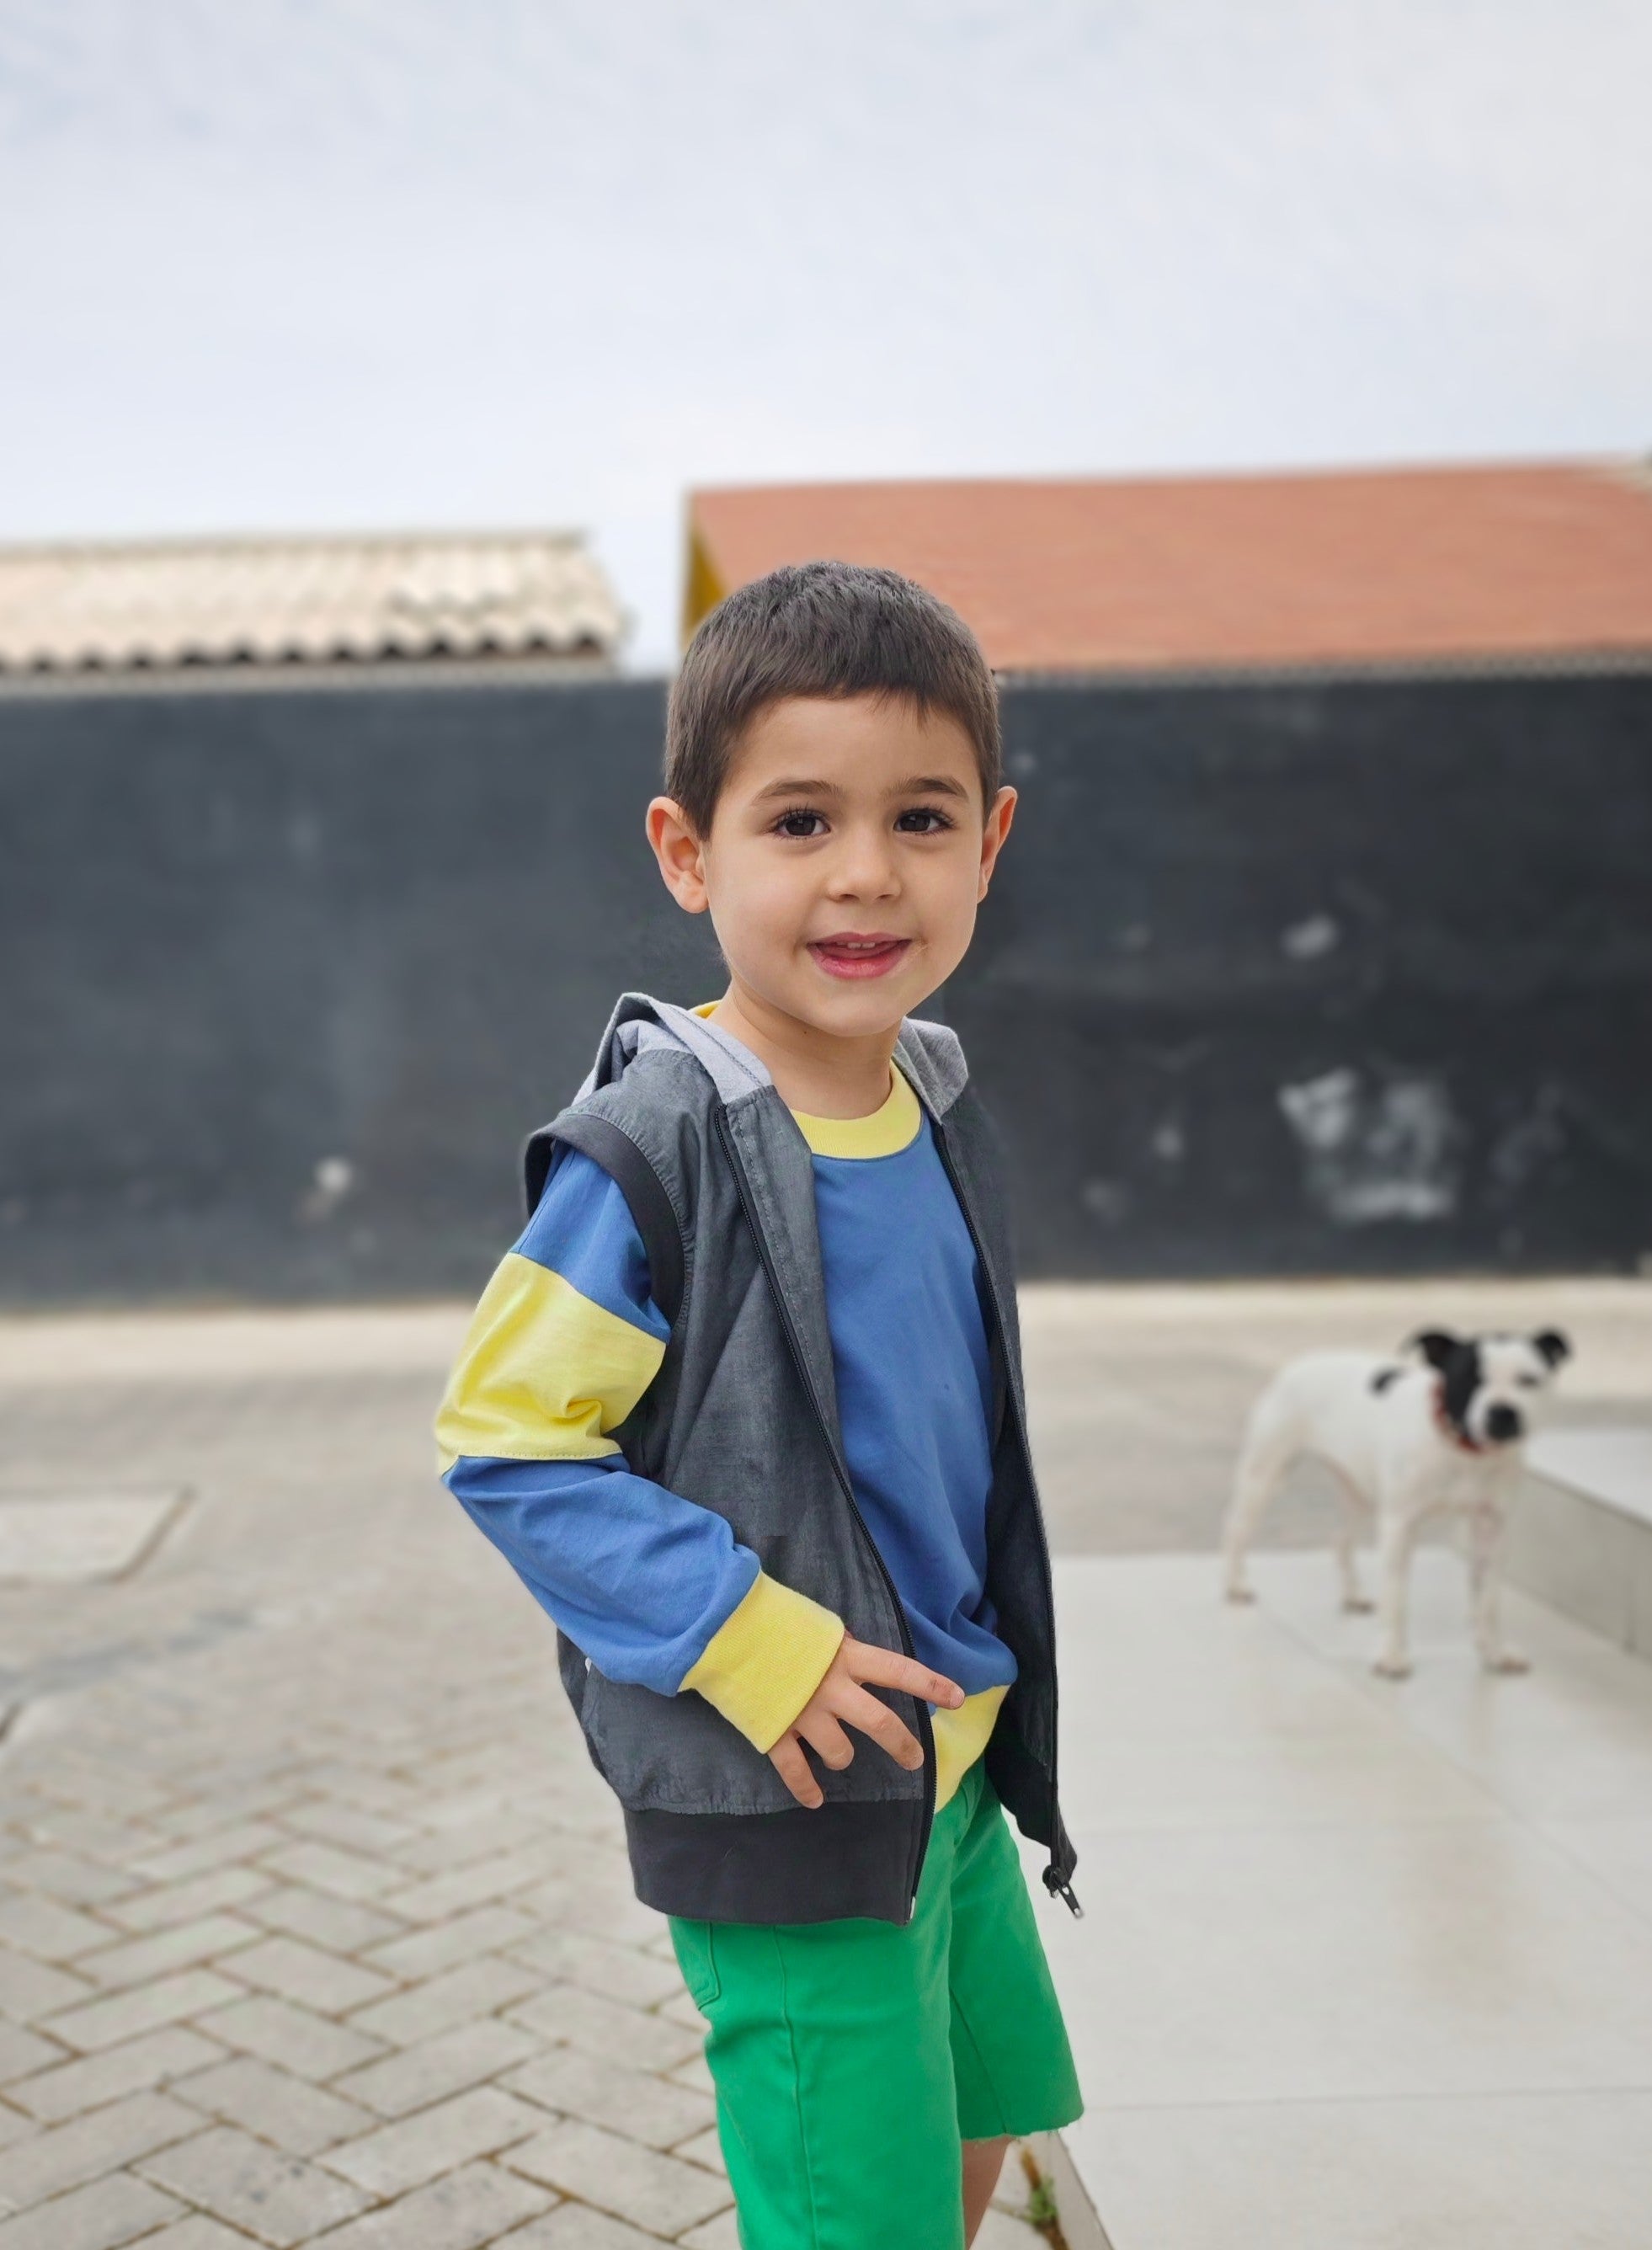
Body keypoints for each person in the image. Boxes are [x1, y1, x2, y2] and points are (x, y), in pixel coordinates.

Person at [434, 559, 1083, 2249]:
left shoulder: (932, 1096)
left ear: (990, 844)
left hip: (946, 1759)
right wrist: (745, 1637)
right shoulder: (653, 1148)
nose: (866, 872)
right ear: (687, 852)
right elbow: (507, 1444)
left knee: (978, 2127)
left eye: (921, 819)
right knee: (851, 2213)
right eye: (799, 822)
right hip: (794, 1781)